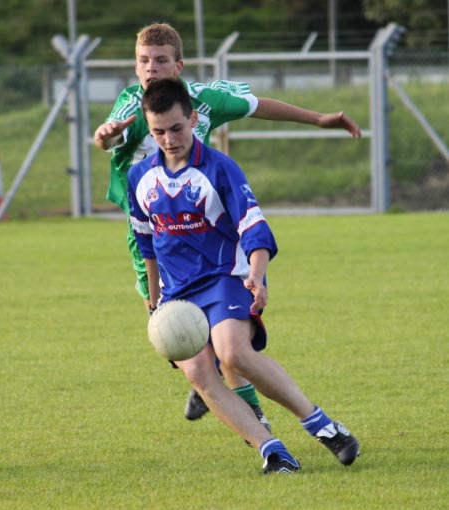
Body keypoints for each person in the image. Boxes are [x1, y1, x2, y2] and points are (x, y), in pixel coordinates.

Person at [93, 22, 362, 425]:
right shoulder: (131, 104)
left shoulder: (204, 100)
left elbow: (259, 105)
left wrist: (320, 119)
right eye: (143, 62)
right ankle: (220, 383)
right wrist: (105, 135)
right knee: (170, 320)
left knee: (220, 324)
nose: (151, 69)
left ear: (178, 65)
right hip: (152, 233)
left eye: (161, 60)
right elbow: (108, 137)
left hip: (203, 227)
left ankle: (239, 399)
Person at [127, 78, 360, 474]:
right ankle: (273, 452)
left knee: (233, 352)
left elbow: (254, 228)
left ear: (193, 118)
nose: (169, 139)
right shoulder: (140, 179)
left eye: (177, 128)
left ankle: (323, 426)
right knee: (200, 372)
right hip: (177, 294)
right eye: (158, 132)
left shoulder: (219, 168)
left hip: (226, 276)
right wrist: (154, 304)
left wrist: (256, 275)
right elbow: (146, 244)